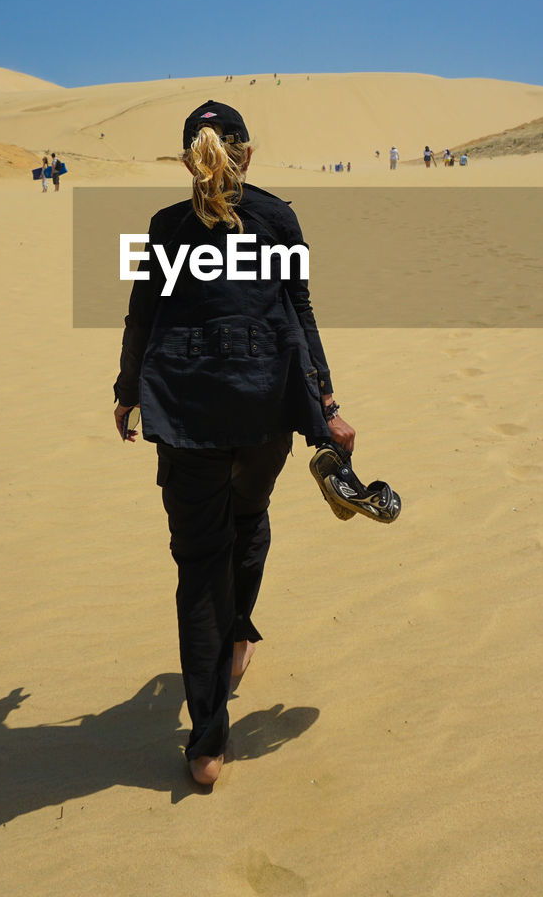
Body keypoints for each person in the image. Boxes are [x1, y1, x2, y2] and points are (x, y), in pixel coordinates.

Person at [113, 101, 355, 787]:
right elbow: (298, 310)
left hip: (186, 414)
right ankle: (241, 629)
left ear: (190, 158)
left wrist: (127, 390)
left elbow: (143, 314)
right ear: (244, 154)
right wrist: (326, 399)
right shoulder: (279, 218)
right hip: (266, 410)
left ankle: (207, 744)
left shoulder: (162, 228)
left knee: (199, 564)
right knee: (248, 518)